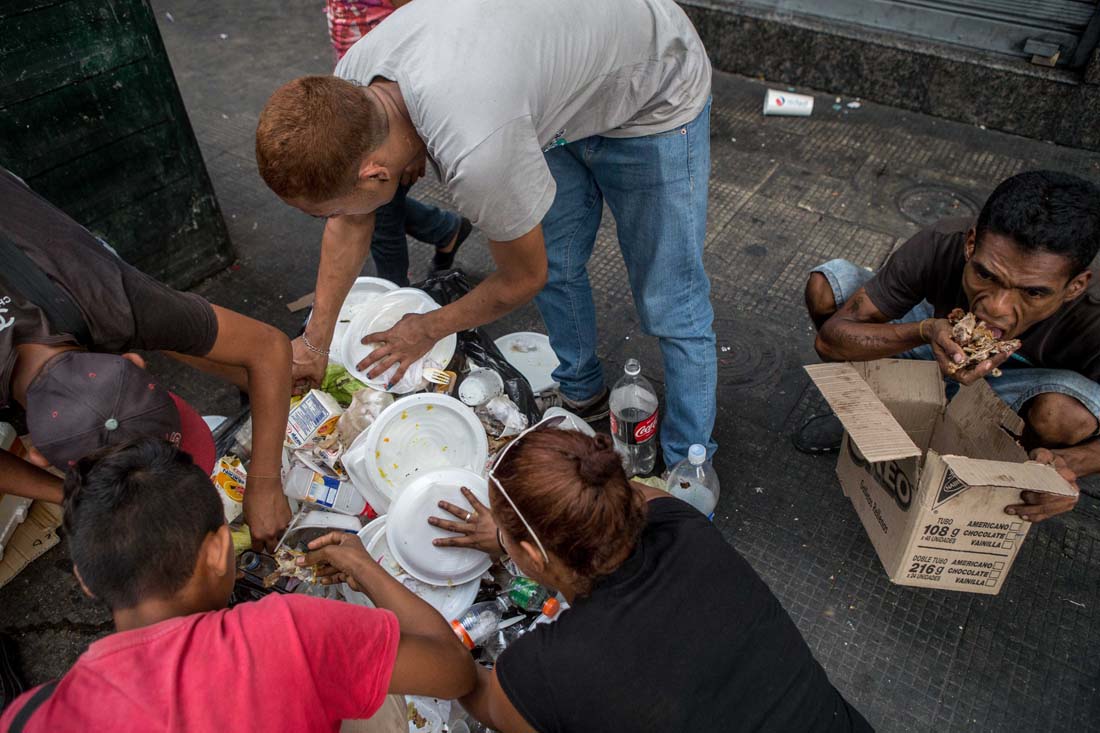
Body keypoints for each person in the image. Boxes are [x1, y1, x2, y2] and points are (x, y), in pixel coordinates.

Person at [255, 0, 717, 469]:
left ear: (376, 174)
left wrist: (426, 327)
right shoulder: (351, 86)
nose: (333, 220)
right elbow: (352, 219)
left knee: (670, 302)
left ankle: (687, 465)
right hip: (547, 98)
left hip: (652, 87)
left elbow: (521, 279)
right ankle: (583, 392)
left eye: (327, 212)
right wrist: (313, 343)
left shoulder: (479, 155)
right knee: (556, 262)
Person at [312, 418, 871, 732]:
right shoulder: (684, 524)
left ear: (532, 557)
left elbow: (463, 681)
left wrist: (368, 571)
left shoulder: (544, 671)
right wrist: (516, 538)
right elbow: (625, 495)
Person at [0, 438, 477, 732]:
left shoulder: (26, 717)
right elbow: (455, 672)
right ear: (217, 551)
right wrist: (366, 568)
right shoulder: (285, 634)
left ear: (85, 579)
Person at [0, 166, 293, 551]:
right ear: (33, 452)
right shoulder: (110, 306)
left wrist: (265, 480)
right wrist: (70, 495)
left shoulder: (106, 296)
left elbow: (268, 345)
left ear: (134, 361)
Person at [801, 170, 1100, 523]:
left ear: (1076, 286)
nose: (996, 308)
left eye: (1033, 292)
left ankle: (993, 469)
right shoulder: (943, 241)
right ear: (971, 244)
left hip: (1022, 389)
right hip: (935, 344)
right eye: (986, 276)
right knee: (827, 287)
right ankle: (871, 419)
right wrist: (925, 330)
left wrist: (1065, 467)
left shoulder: (1094, 314)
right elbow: (830, 341)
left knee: (1064, 417)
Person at [323, 0, 473, 288]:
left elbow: (425, 24)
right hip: (361, 94)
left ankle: (394, 296)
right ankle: (444, 228)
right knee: (374, 202)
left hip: (397, 107)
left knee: (380, 218)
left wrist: (413, 141)